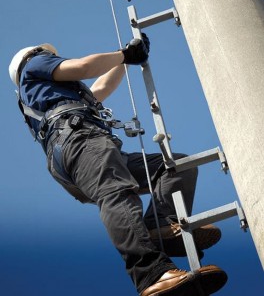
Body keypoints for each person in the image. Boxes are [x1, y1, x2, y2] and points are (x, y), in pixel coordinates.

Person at [9, 36, 227, 296]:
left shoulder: (59, 95)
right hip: (80, 141)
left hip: (82, 146)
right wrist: (124, 54)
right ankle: (151, 273)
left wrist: (125, 59)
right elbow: (83, 67)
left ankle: (160, 225)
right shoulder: (35, 63)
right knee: (117, 193)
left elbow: (99, 87)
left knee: (177, 165)